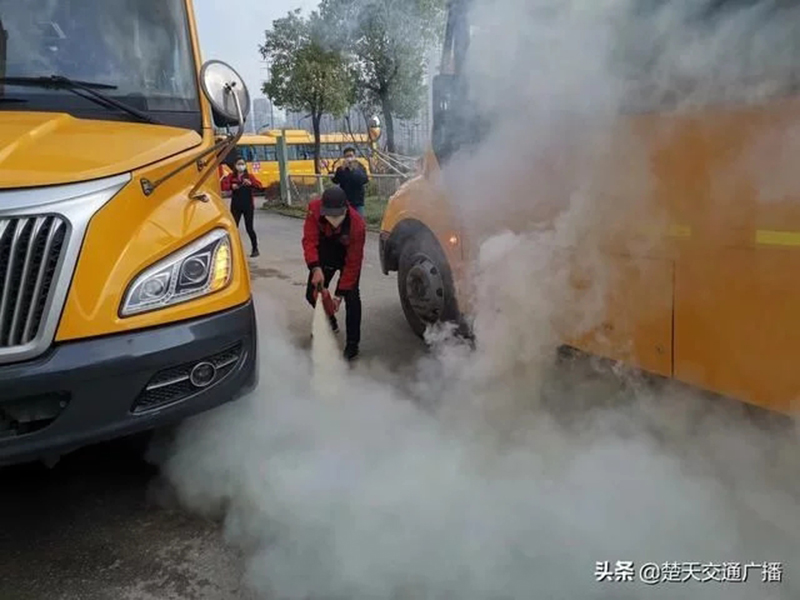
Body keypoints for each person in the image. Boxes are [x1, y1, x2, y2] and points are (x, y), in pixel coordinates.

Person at [302, 186, 366, 361]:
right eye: (330, 216)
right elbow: (309, 241)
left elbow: (353, 263)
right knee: (312, 294)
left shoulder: (357, 224)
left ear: (345, 210)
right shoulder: (314, 210)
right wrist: (315, 268)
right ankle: (330, 319)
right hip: (326, 253)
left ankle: (353, 344)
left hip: (346, 256)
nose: (333, 220)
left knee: (352, 298)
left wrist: (339, 295)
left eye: (338, 216)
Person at [221, 156, 262, 258]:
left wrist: (251, 183)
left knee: (249, 228)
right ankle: (232, 250)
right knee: (234, 228)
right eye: (238, 164)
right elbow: (223, 186)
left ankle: (255, 248)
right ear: (235, 166)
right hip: (236, 205)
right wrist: (231, 186)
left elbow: (259, 185)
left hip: (248, 205)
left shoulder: (249, 176)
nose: (241, 166)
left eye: (242, 164)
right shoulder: (231, 176)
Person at [331, 146, 369, 218]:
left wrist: (354, 170)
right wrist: (342, 169)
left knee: (359, 221)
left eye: (351, 156)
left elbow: (365, 180)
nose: (349, 158)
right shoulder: (341, 169)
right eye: (347, 156)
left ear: (355, 156)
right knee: (346, 222)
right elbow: (336, 181)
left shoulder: (360, 167)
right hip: (345, 200)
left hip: (358, 200)